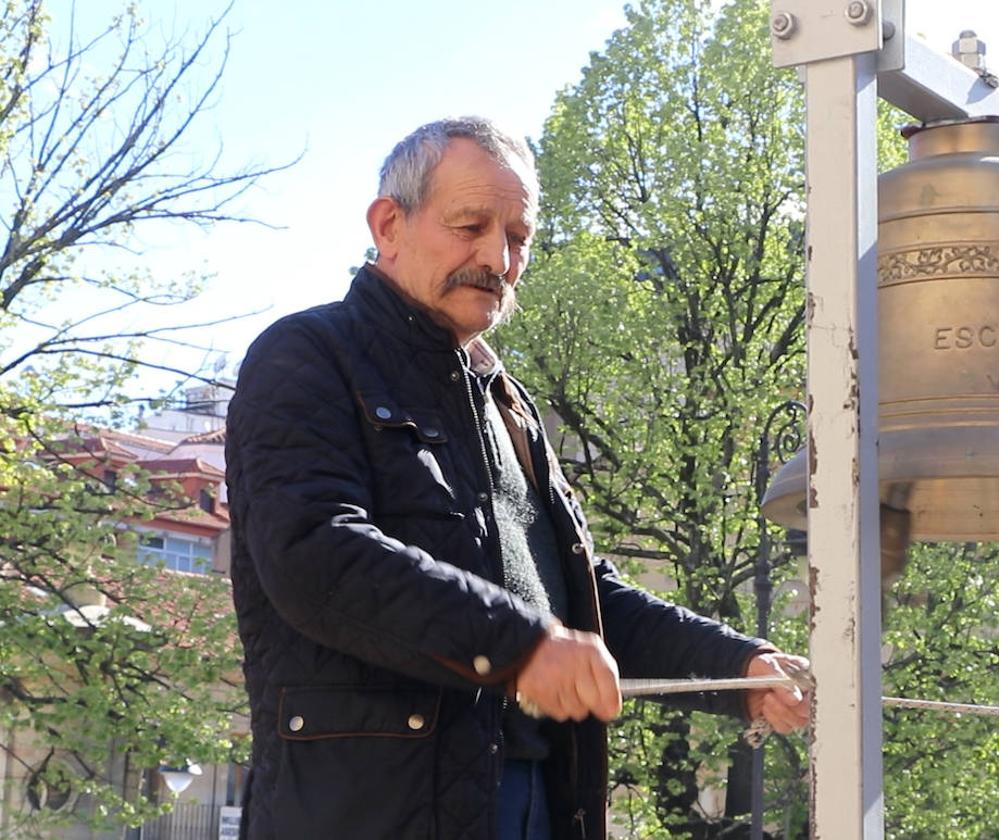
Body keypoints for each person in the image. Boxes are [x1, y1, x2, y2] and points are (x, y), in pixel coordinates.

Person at [225, 116, 810, 840]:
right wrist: (520, 645)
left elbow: (584, 602)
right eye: (471, 225)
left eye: (518, 238)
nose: (497, 258)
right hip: (374, 810)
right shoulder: (306, 357)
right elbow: (316, 556)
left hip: (535, 795)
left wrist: (738, 666)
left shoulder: (505, 401)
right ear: (388, 224)